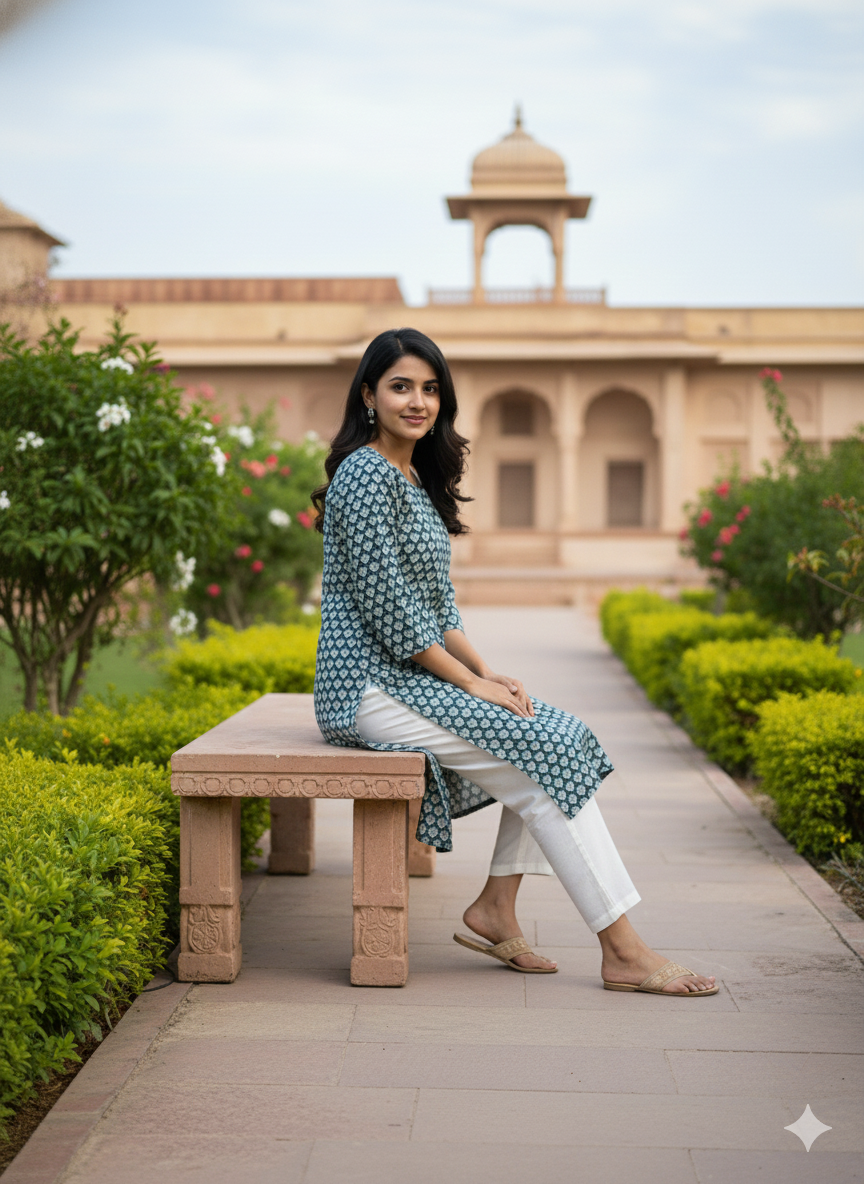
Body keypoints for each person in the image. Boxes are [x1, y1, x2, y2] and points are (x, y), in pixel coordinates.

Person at [312, 328, 717, 996]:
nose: (418, 401)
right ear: (368, 395)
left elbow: (440, 607)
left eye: (431, 388)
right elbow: (390, 612)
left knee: (555, 735)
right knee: (542, 751)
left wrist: (488, 672)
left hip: (410, 677)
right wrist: (469, 682)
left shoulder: (415, 478)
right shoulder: (362, 476)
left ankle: (495, 907)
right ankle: (623, 950)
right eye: (401, 386)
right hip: (367, 686)